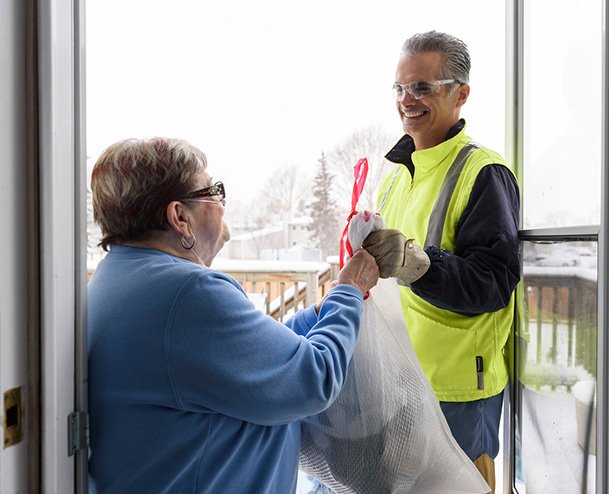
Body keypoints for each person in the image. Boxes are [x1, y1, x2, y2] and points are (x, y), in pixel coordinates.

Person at [87, 137, 379, 493]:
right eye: (212, 190)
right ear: (180, 216)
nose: (223, 203)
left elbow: (250, 362)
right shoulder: (188, 293)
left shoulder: (123, 276)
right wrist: (349, 291)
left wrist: (321, 313)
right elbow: (311, 379)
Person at [363, 31, 520, 492]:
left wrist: (419, 265)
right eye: (400, 88)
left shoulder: (483, 172)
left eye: (423, 87)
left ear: (461, 93)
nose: (407, 100)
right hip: (397, 384)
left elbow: (491, 283)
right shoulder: (393, 176)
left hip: (456, 391)